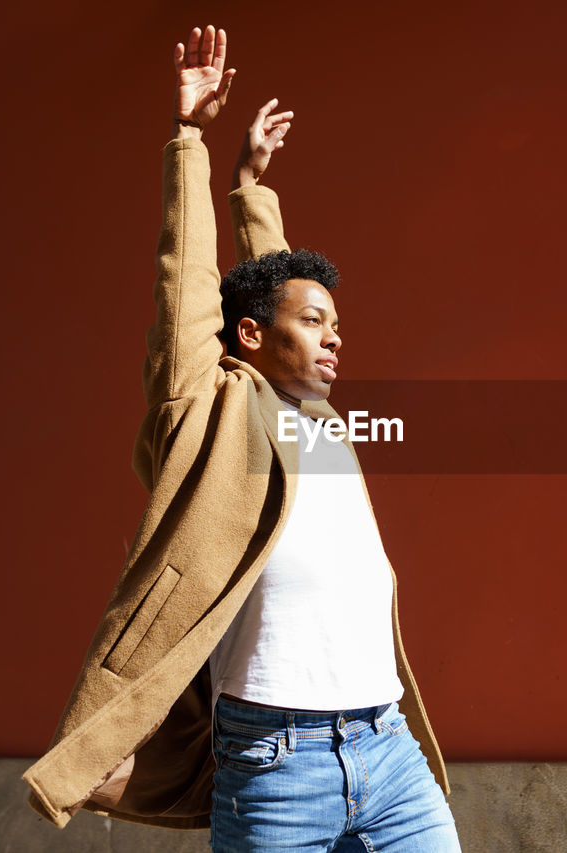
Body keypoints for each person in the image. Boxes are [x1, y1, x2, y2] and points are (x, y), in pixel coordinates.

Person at [23, 24, 460, 852]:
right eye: (316, 325)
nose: (336, 339)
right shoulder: (210, 412)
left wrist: (251, 187)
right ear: (252, 339)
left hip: (388, 746)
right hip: (276, 760)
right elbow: (191, 297)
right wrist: (190, 140)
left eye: (338, 325)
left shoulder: (322, 419)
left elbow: (277, 288)